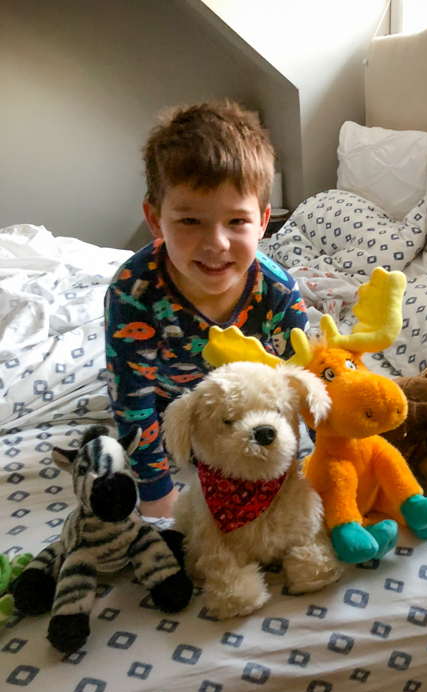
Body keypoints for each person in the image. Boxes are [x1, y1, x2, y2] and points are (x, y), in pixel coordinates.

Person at [105, 100, 309, 520]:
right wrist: (156, 489)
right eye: (190, 221)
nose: (216, 243)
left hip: (248, 405)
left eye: (236, 222)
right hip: (170, 403)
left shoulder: (277, 290)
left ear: (263, 221)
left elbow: (304, 381)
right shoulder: (133, 292)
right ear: (155, 219)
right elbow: (132, 400)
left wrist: (328, 460)